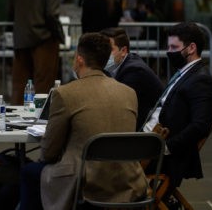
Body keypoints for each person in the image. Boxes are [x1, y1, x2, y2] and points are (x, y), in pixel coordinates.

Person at [20, 33, 148, 210]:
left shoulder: (65, 93)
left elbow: (48, 152)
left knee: (29, 172)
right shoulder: (129, 93)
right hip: (126, 181)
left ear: (79, 60)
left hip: (85, 182)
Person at [142, 22, 212, 196]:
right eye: (168, 46)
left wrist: (166, 147)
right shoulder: (185, 73)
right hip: (151, 143)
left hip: (164, 156)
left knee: (107, 161)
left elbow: (200, 125)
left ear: (191, 48)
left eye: (174, 47)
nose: (169, 51)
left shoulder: (201, 80)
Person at [8, 0, 64, 105]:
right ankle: (40, 118)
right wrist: (59, 36)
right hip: (44, 40)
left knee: (19, 82)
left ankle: (17, 117)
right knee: (43, 82)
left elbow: (10, 13)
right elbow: (52, 14)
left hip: (20, 39)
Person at [100, 27, 164, 130]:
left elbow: (118, 106)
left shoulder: (134, 71)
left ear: (124, 51)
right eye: (101, 49)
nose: (103, 54)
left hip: (149, 129)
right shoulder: (119, 66)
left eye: (109, 49)